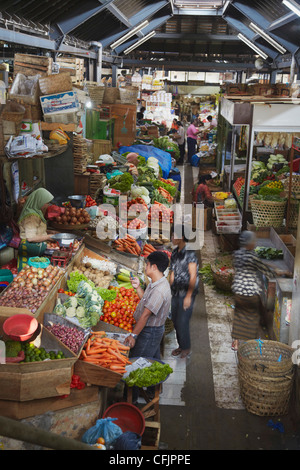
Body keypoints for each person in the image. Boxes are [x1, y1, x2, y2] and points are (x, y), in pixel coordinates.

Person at [231, 231, 286, 351]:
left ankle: (235, 342)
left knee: (239, 315)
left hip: (238, 293)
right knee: (252, 318)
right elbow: (266, 270)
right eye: (253, 242)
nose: (255, 244)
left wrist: (268, 265)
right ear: (249, 244)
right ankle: (250, 345)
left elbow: (255, 263)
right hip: (250, 294)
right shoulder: (253, 257)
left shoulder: (237, 254)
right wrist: (278, 272)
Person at [125, 251, 171, 358]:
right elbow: (146, 300)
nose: (145, 267)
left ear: (154, 267)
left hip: (150, 332)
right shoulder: (156, 282)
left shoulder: (159, 291)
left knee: (138, 359)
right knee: (151, 358)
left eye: (147, 264)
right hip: (150, 331)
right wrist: (137, 287)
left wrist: (133, 336)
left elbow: (145, 315)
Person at [169, 224, 199, 359]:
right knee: (175, 320)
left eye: (173, 235)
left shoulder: (190, 253)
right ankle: (181, 345)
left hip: (187, 293)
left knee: (182, 321)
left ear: (181, 237)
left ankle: (186, 348)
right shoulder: (175, 253)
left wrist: (188, 296)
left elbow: (193, 276)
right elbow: (172, 272)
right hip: (175, 292)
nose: (171, 237)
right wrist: (168, 288)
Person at [17, 188, 55, 271]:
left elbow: (36, 229)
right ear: (39, 201)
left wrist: (50, 232)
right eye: (46, 203)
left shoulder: (36, 211)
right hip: (29, 250)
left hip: (36, 249)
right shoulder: (31, 216)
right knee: (27, 275)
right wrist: (49, 236)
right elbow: (31, 238)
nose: (47, 205)